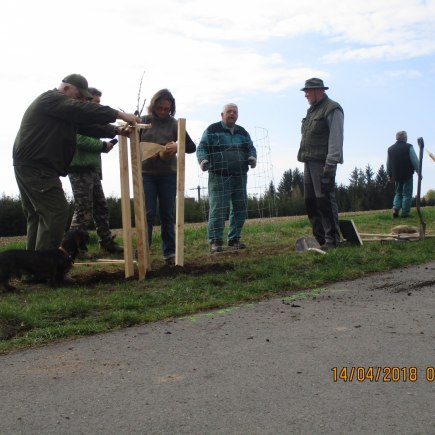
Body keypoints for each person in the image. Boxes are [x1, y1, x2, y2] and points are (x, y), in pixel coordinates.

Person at [13, 74, 140, 256]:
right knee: (56, 212)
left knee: (38, 215)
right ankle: (44, 267)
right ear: (66, 89)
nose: (80, 101)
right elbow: (84, 111)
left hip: (28, 164)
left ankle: (31, 268)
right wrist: (120, 115)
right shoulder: (52, 99)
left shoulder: (57, 109)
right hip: (38, 167)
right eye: (79, 96)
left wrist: (116, 130)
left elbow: (85, 126)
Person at [140, 89, 196, 265]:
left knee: (167, 214)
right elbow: (134, 143)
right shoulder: (144, 122)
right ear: (154, 106)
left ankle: (170, 253)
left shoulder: (174, 124)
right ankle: (142, 252)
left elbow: (191, 146)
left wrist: (178, 145)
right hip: (146, 174)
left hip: (168, 176)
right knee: (147, 213)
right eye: (160, 108)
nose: (163, 111)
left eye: (167, 109)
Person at [68, 87, 123, 257]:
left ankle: (106, 242)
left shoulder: (92, 122)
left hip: (91, 170)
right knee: (83, 210)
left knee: (101, 207)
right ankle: (75, 248)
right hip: (78, 169)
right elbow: (79, 139)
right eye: (96, 102)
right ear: (86, 100)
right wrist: (102, 146)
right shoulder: (78, 119)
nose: (98, 106)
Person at [197, 103, 257, 253]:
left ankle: (234, 240)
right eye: (229, 112)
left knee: (240, 208)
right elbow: (201, 147)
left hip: (240, 176)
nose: (232, 114)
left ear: (237, 115)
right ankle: (215, 241)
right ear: (222, 115)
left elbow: (251, 147)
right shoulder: (212, 130)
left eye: (235, 112)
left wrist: (252, 157)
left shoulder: (242, 132)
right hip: (219, 176)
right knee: (218, 209)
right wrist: (203, 161)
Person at [297, 78, 344, 250]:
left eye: (308, 91)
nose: (306, 95)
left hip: (324, 162)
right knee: (310, 201)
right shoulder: (312, 111)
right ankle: (321, 239)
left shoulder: (332, 108)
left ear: (319, 91)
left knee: (324, 201)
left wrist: (331, 162)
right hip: (309, 162)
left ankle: (332, 239)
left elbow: (336, 136)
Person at [386, 130, 419, 218]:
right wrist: (419, 172)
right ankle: (405, 214)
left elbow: (388, 163)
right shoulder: (409, 147)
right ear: (404, 137)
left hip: (396, 175)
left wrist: (389, 174)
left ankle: (395, 209)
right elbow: (415, 161)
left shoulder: (390, 149)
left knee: (398, 193)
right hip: (407, 174)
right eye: (406, 136)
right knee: (407, 194)